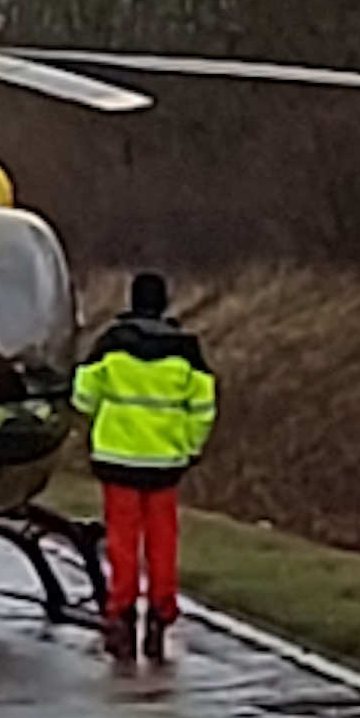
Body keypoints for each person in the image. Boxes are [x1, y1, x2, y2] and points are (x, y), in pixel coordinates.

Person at [71, 272, 217, 663]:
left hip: (117, 460)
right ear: (166, 302)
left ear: (131, 300)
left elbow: (82, 398)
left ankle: (120, 616)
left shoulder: (111, 343)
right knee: (162, 541)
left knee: (123, 542)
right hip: (165, 462)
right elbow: (203, 409)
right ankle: (160, 613)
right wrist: (189, 447)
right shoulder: (187, 349)